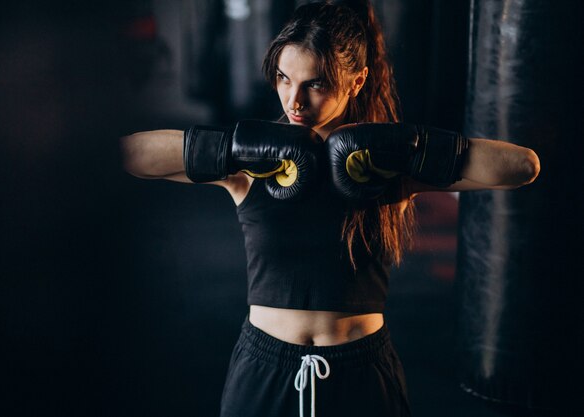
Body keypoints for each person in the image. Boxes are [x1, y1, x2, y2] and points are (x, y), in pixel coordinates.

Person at [120, 1, 540, 416]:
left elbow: (523, 166)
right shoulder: (253, 163)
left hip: (362, 371)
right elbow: (130, 156)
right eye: (284, 79)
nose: (294, 101)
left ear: (356, 82)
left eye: (315, 84)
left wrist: (410, 147)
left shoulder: (385, 166)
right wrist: (227, 148)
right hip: (264, 370)